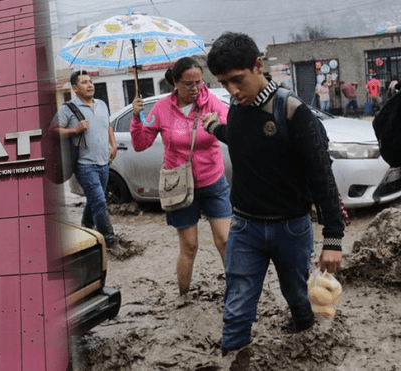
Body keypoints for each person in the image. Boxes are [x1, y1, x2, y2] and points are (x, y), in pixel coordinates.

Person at [204, 32, 344, 354]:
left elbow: (322, 175)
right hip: (244, 228)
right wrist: (215, 129)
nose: (232, 90)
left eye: (237, 80)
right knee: (236, 308)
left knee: (297, 297)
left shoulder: (293, 112)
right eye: (224, 84)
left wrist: (333, 238)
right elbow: (244, 142)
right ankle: (234, 358)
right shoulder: (236, 109)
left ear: (258, 65)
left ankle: (308, 344)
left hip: (291, 228)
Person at [130, 57, 231, 298]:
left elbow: (233, 131)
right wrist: (136, 118)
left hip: (213, 180)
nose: (195, 88)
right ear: (175, 83)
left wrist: (216, 124)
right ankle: (183, 297)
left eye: (198, 82)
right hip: (179, 186)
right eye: (188, 84)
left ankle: (237, 294)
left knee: (226, 241)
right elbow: (140, 144)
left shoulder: (212, 103)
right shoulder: (162, 109)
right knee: (189, 246)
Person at [54, 70, 119, 245]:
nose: (90, 85)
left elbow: (108, 127)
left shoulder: (102, 105)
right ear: (75, 88)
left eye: (91, 81)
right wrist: (75, 131)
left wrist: (113, 145)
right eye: (84, 82)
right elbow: (52, 130)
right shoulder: (68, 109)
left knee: (94, 199)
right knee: (99, 200)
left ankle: (86, 226)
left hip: (104, 162)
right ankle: (109, 237)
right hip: (84, 165)